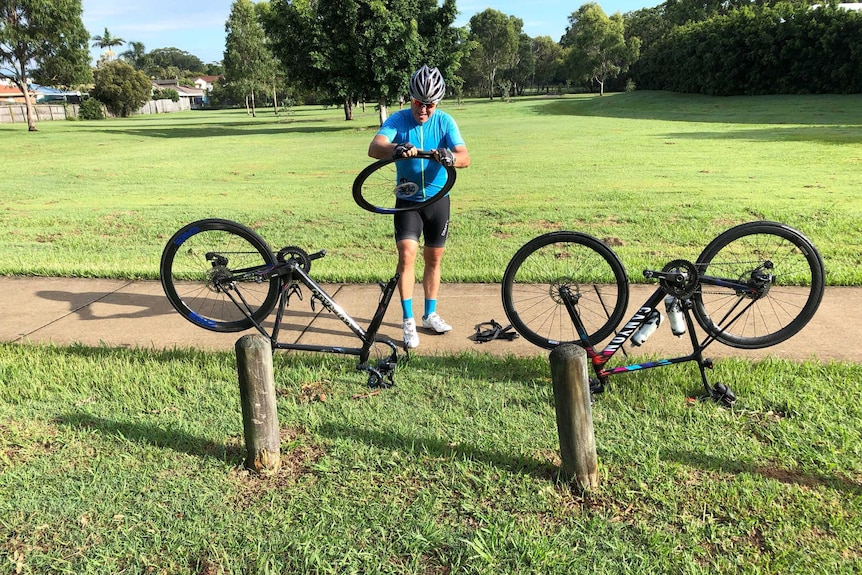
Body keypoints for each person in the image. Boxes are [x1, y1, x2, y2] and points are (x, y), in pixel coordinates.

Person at [367, 65, 470, 349]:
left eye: (429, 104)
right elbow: (375, 147)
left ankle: (430, 313)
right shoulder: (398, 120)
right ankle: (408, 319)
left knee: (434, 259)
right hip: (408, 201)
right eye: (417, 103)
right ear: (409, 98)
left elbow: (465, 156)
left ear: (436, 103)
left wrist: (449, 156)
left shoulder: (445, 122)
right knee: (407, 254)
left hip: (438, 200)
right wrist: (395, 148)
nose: (423, 110)